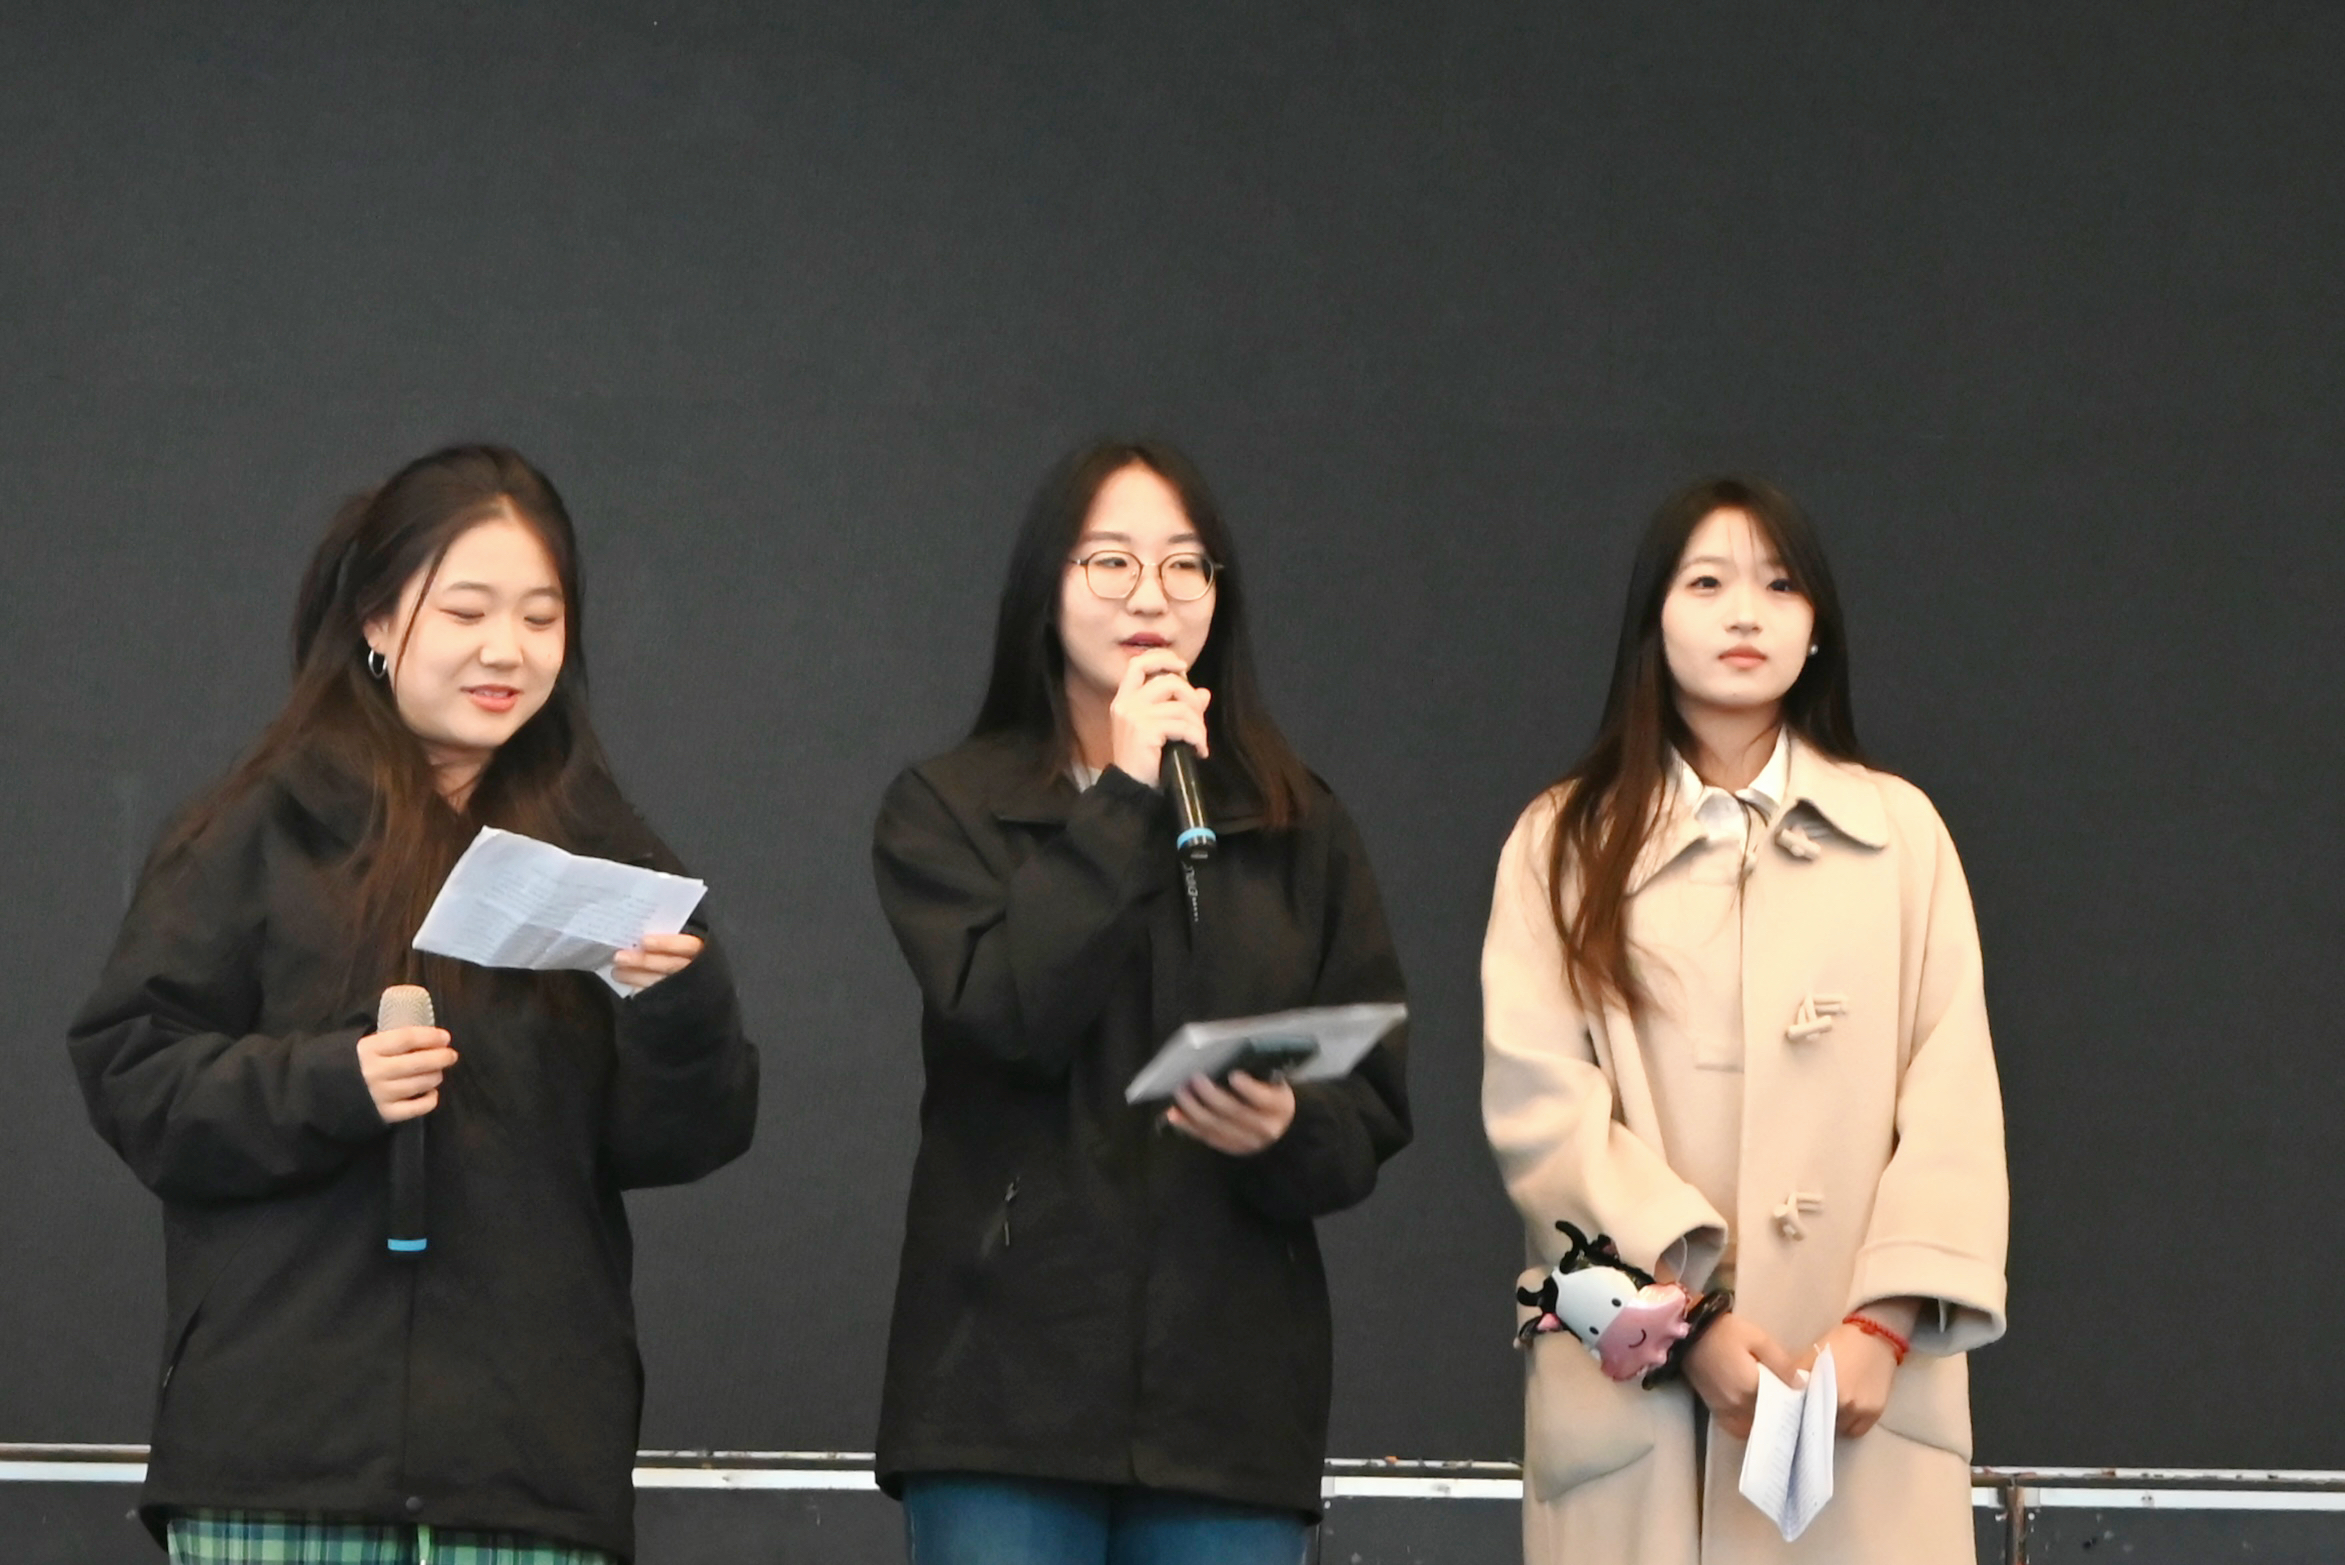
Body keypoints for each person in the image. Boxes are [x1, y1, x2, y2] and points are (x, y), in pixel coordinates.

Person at [69, 444, 759, 1564]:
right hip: (283, 1458)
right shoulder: (258, 829)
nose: (507, 650)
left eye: (541, 617)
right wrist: (332, 1079)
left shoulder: (601, 851)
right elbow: (135, 1072)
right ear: (379, 622)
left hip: (526, 1470)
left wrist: (676, 1009)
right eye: (467, 611)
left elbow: (683, 1136)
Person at [870, 437, 1411, 1564]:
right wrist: (1123, 793)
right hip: (1001, 1390)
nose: (1151, 597)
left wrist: (1287, 1123)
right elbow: (1004, 1016)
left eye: (1183, 565)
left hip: (1228, 1403)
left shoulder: (1295, 821)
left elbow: (1370, 1106)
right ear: (1046, 587)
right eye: (1110, 561)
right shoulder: (949, 808)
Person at [1480, 476, 2007, 1563]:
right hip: (1641, 1416)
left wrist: (1881, 1326)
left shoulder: (1902, 837)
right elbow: (1542, 1118)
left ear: (1817, 629)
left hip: (1857, 1399)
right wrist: (1687, 1324)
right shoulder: (1559, 844)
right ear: (1652, 619)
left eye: (1778, 585)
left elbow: (1953, 1104)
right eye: (1706, 583)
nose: (1744, 614)